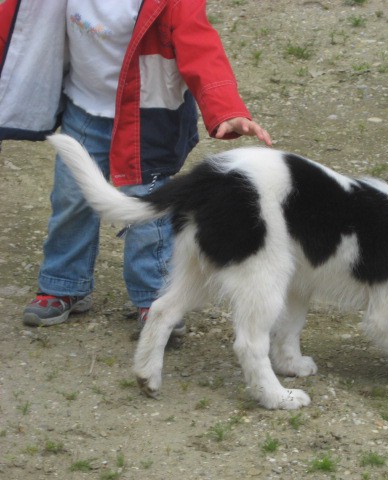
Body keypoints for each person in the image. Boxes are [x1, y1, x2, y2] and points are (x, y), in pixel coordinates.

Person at [0, 0, 271, 332]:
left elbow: (202, 49)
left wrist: (226, 109)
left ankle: (154, 299)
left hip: (147, 116)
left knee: (148, 208)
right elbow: (14, 27)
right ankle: (63, 283)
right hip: (84, 110)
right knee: (71, 198)